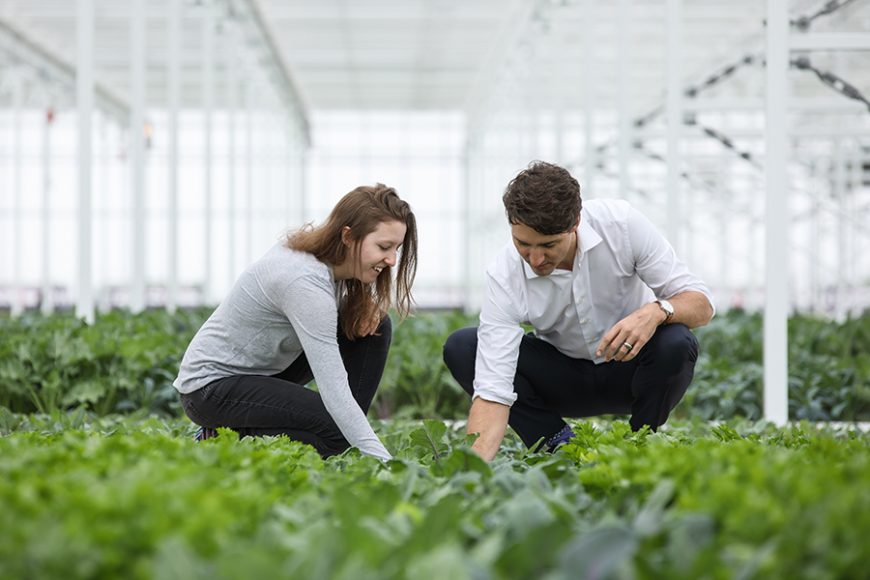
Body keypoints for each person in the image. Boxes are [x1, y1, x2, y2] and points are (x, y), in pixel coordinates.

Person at [443, 161, 714, 462]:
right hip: (562, 379)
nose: (535, 258)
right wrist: (471, 470)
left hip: (630, 368)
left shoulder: (621, 226)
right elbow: (493, 389)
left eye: (548, 245)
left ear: (575, 224)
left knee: (676, 341)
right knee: (464, 346)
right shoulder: (504, 274)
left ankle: (639, 445)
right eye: (523, 243)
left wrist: (656, 311)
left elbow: (702, 305)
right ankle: (559, 445)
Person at [174, 184, 417, 461]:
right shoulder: (303, 282)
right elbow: (334, 388)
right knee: (338, 432)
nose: (392, 260)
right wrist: (385, 463)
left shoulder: (328, 267)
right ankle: (224, 435)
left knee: (374, 326)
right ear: (348, 236)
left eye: (396, 248)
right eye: (384, 247)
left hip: (261, 374)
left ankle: (343, 439)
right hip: (210, 389)